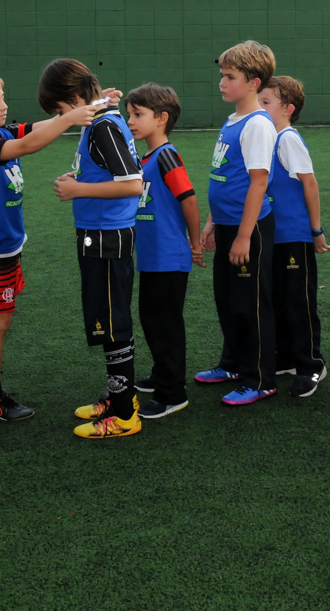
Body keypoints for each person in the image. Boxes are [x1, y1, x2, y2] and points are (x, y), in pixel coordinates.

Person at [0, 69, 100, 422]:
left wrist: (94, 103)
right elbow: (29, 145)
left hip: (7, 244)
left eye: (3, 98)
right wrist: (72, 118)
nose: (4, 106)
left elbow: (36, 129)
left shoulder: (0, 132)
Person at [41, 60, 145, 439]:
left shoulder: (102, 127)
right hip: (97, 234)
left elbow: (133, 184)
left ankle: (123, 415)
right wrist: (80, 177)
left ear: (73, 99)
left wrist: (78, 190)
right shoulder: (100, 119)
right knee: (108, 320)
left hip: (107, 238)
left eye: (60, 111)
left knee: (113, 323)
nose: (61, 118)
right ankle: (119, 394)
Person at [195, 41, 279, 406]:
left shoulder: (258, 124)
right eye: (222, 75)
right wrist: (214, 222)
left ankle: (259, 378)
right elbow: (226, 177)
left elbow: (259, 182)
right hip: (229, 225)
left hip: (251, 230)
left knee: (251, 304)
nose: (222, 83)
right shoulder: (233, 120)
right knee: (228, 300)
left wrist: (245, 237)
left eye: (230, 77)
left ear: (253, 83)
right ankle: (232, 364)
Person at [127, 83, 205, 419]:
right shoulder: (145, 156)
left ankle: (173, 393)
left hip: (169, 256)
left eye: (137, 114)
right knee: (151, 318)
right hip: (152, 255)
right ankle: (162, 375)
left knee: (166, 324)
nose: (130, 120)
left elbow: (188, 198)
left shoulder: (166, 155)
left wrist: (196, 243)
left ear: (161, 118)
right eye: (129, 114)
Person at [259, 76, 330, 398]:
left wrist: (315, 230)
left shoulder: (287, 138)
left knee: (298, 302)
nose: (259, 109)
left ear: (287, 109)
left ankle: (311, 363)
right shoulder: (266, 138)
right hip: (272, 235)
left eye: (266, 103)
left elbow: (309, 183)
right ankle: (286, 358)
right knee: (279, 300)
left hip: (293, 237)